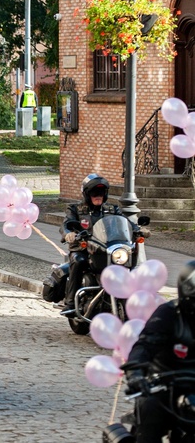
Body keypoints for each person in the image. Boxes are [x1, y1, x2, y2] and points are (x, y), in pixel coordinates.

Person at [124, 261, 195, 443]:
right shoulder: (168, 313)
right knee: (150, 418)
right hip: (163, 382)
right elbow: (145, 345)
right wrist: (135, 374)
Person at [59, 174, 147, 314]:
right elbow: (66, 225)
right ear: (87, 194)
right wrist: (68, 233)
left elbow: (126, 223)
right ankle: (70, 302)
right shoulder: (75, 209)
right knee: (78, 260)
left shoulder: (112, 209)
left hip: (105, 250)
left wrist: (139, 230)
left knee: (126, 263)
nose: (98, 196)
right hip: (83, 249)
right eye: (94, 193)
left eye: (101, 193)